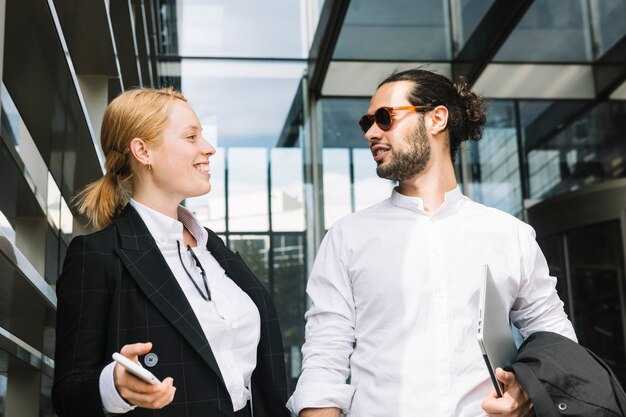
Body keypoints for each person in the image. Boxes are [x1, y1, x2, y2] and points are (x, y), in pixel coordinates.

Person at [286, 69, 577, 417]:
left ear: (437, 118)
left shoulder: (510, 234)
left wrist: (528, 394)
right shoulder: (347, 236)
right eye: (367, 122)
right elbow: (324, 355)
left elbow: (554, 338)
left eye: (384, 117)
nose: (371, 133)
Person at [52, 87, 290, 417]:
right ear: (143, 151)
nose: (208, 148)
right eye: (191, 137)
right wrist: (115, 387)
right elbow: (67, 393)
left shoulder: (216, 252)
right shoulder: (97, 256)